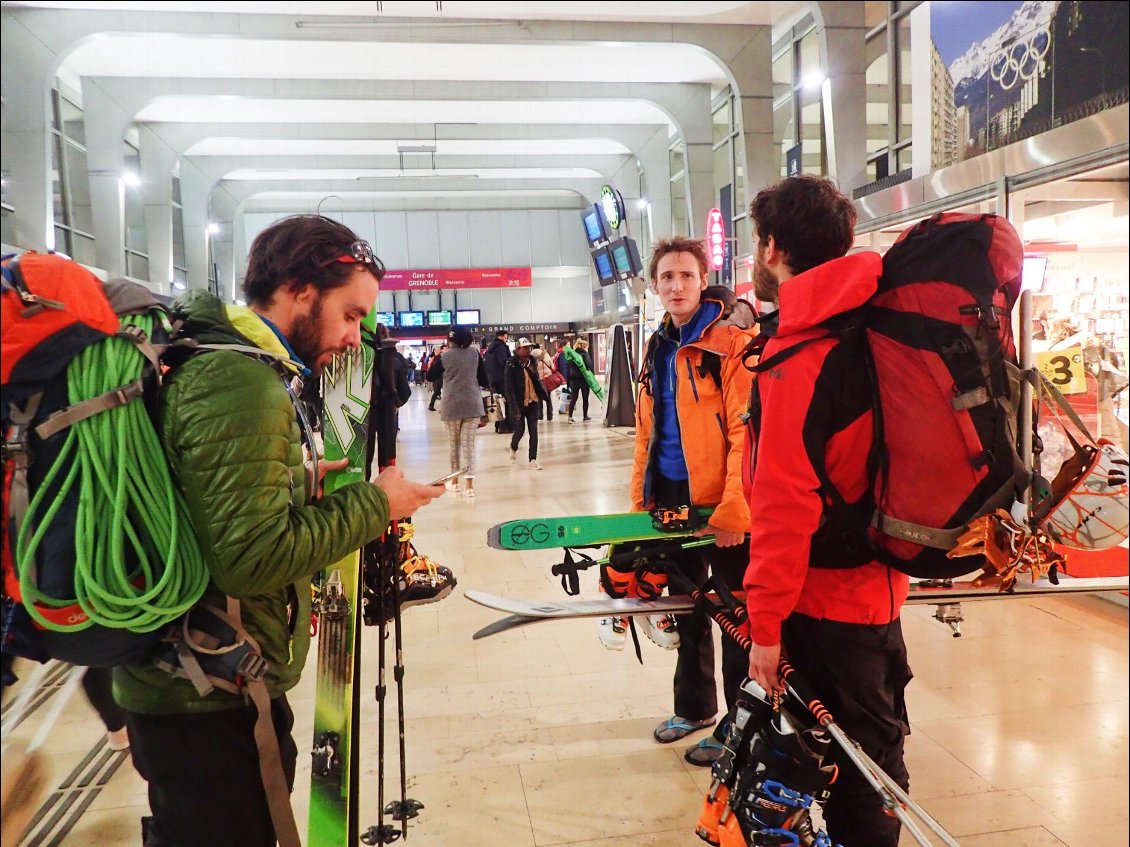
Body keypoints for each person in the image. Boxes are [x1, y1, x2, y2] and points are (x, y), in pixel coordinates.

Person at [112, 215, 445, 847]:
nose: (355, 338)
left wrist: (294, 481)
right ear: (299, 289)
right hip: (211, 695)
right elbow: (254, 559)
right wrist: (378, 504)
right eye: (350, 314)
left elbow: (202, 496)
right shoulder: (241, 381)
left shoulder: (215, 356)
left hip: (190, 678)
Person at [743, 175, 912, 847]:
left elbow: (784, 503)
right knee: (878, 749)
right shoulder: (870, 324)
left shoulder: (802, 352)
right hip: (881, 589)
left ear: (773, 247)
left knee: (857, 772)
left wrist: (763, 625)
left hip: (825, 602)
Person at [624, 236, 756, 767]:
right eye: (665, 278)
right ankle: (696, 707)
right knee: (686, 609)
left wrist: (735, 508)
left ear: (704, 280)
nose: (675, 286)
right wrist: (640, 501)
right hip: (672, 495)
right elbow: (645, 433)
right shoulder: (658, 344)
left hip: (721, 499)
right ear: (654, 287)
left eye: (685, 276)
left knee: (734, 615)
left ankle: (740, 726)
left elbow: (749, 435)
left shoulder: (732, 343)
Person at [439, 327, 489, 497]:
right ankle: (470, 486)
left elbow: (430, 376)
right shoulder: (475, 354)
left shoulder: (445, 356)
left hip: (451, 406)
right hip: (472, 405)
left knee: (454, 445)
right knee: (469, 446)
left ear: (450, 340)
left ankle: (454, 482)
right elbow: (483, 379)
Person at [503, 336, 550, 470]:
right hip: (519, 402)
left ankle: (533, 459)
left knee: (533, 431)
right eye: (524, 348)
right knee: (520, 430)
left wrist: (544, 395)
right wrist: (513, 408)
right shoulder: (511, 364)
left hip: (533, 400)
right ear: (517, 349)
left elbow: (537, 380)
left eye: (529, 347)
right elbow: (509, 388)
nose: (528, 350)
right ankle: (513, 447)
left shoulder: (533, 361)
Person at [484, 330, 513, 432]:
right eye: (505, 338)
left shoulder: (491, 348)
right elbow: (504, 362)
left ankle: (498, 425)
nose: (506, 340)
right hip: (503, 379)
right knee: (507, 402)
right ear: (501, 337)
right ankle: (505, 426)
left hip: (494, 379)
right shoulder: (501, 347)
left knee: (498, 402)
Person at [566, 338, 595, 422]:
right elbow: (589, 366)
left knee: (574, 398)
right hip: (584, 380)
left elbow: (568, 369)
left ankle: (570, 417)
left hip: (574, 380)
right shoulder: (584, 354)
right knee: (585, 398)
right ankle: (585, 416)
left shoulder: (573, 354)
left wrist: (568, 382)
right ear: (584, 346)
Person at [531, 345, 556, 421]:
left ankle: (540, 415)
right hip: (547, 378)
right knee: (548, 397)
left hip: (538, 379)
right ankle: (550, 415)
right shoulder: (545, 354)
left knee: (539, 398)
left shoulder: (531, 355)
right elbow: (552, 365)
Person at [426, 342, 446, 411]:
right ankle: (431, 405)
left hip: (438, 377)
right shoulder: (437, 358)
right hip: (437, 377)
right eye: (445, 349)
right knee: (437, 391)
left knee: (438, 392)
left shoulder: (438, 358)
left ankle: (432, 405)